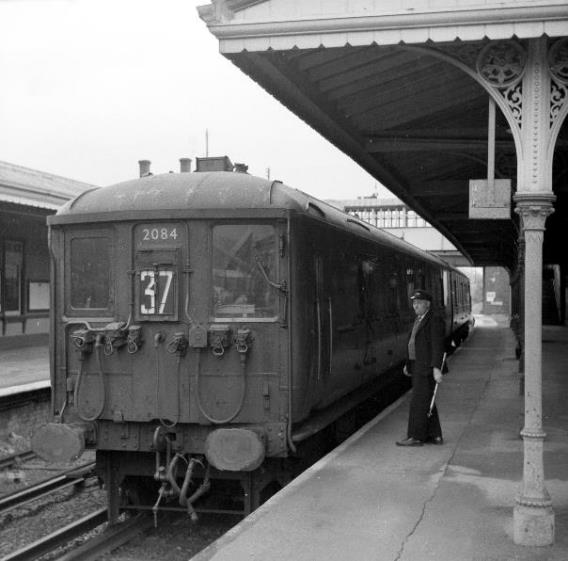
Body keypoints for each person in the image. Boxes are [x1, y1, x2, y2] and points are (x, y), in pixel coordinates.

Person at [396, 289, 445, 447]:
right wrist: (408, 364)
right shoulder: (420, 319)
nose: (414, 306)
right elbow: (413, 343)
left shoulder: (433, 320)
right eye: (414, 303)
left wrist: (437, 368)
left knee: (418, 401)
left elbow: (438, 346)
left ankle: (416, 437)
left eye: (418, 303)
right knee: (427, 399)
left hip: (426, 367)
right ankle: (435, 435)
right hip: (417, 365)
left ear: (427, 305)